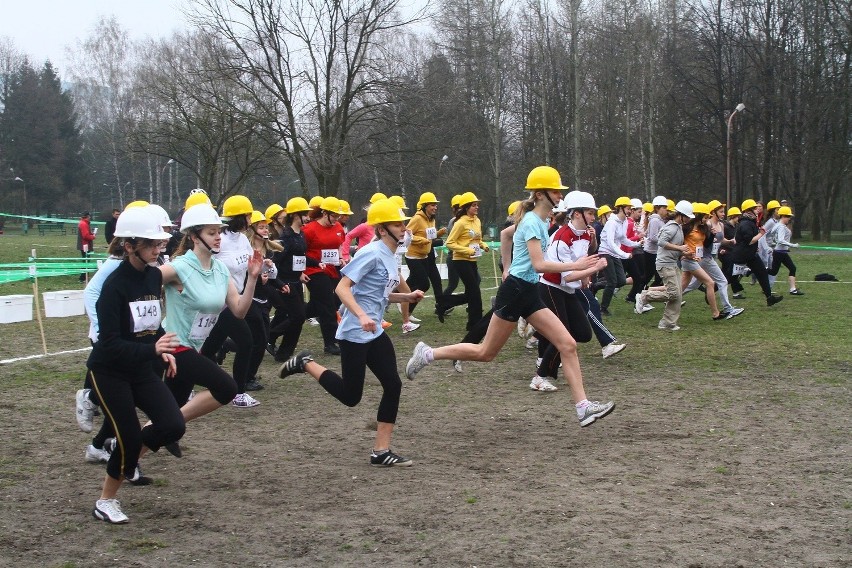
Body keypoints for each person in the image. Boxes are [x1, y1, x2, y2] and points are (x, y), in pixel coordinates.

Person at [405, 166, 615, 427]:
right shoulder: (531, 222)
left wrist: (507, 267)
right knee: (486, 353)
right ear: (540, 194)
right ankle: (428, 353)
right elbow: (539, 265)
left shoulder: (537, 220)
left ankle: (583, 407)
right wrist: (577, 266)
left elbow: (507, 239)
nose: (560, 196)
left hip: (526, 290)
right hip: (517, 291)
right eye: (555, 191)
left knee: (568, 344)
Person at [279, 198, 425, 466]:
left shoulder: (391, 255)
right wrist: (361, 315)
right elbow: (342, 288)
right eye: (396, 223)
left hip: (374, 332)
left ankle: (381, 452)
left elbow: (379, 295)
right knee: (350, 396)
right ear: (381, 229)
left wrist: (407, 296)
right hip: (355, 333)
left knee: (393, 385)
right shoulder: (370, 252)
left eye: (403, 223)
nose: (403, 227)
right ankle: (305, 363)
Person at [86, 206, 185, 524]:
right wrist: (152, 349)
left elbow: (149, 323)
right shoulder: (112, 288)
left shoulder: (154, 275)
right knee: (127, 437)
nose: (161, 249)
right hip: (109, 371)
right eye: (153, 244)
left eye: (161, 243)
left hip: (141, 367)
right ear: (129, 245)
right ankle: (105, 501)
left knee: (173, 425)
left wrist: (161, 349)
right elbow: (110, 343)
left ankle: (127, 461)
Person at [159, 202, 261, 441]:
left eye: (219, 232)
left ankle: (138, 439)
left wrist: (253, 278)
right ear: (194, 236)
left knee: (170, 410)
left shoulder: (220, 270)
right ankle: (156, 431)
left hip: (195, 346)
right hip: (175, 348)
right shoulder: (179, 267)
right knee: (227, 387)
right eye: (211, 233)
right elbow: (143, 284)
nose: (218, 238)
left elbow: (238, 311)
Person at [531, 191, 609, 391]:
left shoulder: (585, 233)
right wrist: (595, 269)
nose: (593, 217)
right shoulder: (560, 239)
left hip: (568, 290)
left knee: (583, 334)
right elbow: (568, 275)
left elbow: (580, 260)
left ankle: (542, 332)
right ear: (576, 214)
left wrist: (586, 276)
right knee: (563, 336)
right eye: (590, 213)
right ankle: (540, 377)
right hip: (551, 288)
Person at [199, 194, 261, 407]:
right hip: (221, 302)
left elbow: (247, 263)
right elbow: (206, 266)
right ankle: (238, 393)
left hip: (239, 298)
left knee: (208, 349)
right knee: (246, 342)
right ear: (240, 216)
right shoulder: (220, 240)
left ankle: (197, 381)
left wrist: (263, 266)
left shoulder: (242, 239)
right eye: (248, 215)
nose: (251, 219)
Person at [635, 200, 694, 330]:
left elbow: (674, 248)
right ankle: (644, 296)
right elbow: (661, 242)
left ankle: (667, 323)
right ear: (681, 215)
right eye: (688, 216)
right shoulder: (671, 227)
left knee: (677, 294)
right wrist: (680, 249)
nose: (689, 219)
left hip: (672, 263)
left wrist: (686, 254)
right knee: (673, 294)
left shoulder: (678, 227)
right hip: (665, 264)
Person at [243, 210, 284, 390]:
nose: (266, 230)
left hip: (262, 298)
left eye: (266, 226)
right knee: (258, 339)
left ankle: (247, 373)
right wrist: (260, 278)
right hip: (249, 298)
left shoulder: (267, 250)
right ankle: (247, 377)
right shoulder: (246, 249)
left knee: (260, 337)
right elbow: (244, 275)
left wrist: (271, 270)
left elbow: (272, 274)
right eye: (261, 227)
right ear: (253, 229)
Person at [682, 200, 744, 319]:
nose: (723, 214)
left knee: (692, 285)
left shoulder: (720, 225)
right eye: (720, 212)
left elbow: (721, 240)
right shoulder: (707, 224)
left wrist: (729, 242)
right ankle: (728, 309)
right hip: (704, 258)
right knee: (722, 281)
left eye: (723, 211)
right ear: (713, 212)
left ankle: (671, 297)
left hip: (708, 257)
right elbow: (702, 242)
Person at [269, 197, 313, 362]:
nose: (308, 218)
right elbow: (277, 261)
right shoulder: (286, 237)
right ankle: (270, 336)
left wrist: (301, 272)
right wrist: (278, 282)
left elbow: (299, 258)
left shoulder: (300, 234)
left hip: (296, 281)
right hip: (286, 283)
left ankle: (284, 353)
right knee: (298, 316)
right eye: (305, 214)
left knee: (298, 319)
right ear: (296, 216)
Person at [436, 191, 488, 329]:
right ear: (466, 208)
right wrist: (467, 250)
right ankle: (474, 323)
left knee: (472, 292)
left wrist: (484, 245)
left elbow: (478, 239)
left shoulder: (477, 220)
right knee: (475, 292)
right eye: (474, 205)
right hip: (460, 261)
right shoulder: (460, 223)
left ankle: (444, 302)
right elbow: (449, 243)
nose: (477, 207)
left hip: (473, 260)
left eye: (477, 205)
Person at [303, 196, 347, 354]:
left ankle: (290, 320)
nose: (336, 220)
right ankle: (330, 343)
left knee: (332, 301)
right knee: (327, 305)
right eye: (333, 216)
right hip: (314, 271)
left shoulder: (338, 228)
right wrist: (301, 271)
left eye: (338, 216)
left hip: (332, 269)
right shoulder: (309, 229)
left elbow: (339, 246)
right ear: (324, 213)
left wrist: (341, 258)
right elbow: (301, 252)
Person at [730, 199, 784, 307]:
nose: (757, 209)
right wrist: (761, 233)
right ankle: (712, 290)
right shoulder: (746, 223)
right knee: (728, 277)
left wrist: (755, 247)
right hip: (742, 255)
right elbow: (750, 240)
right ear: (748, 210)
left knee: (762, 273)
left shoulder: (750, 221)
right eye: (755, 208)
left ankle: (769, 298)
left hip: (750, 255)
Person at [404, 191, 447, 322]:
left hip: (424, 256)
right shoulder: (417, 218)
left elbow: (429, 237)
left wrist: (438, 234)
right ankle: (406, 308)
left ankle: (403, 303)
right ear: (424, 206)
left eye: (435, 205)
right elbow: (407, 234)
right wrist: (421, 240)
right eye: (432, 205)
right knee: (424, 284)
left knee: (412, 283)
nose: (435, 207)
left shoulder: (431, 220)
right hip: (413, 256)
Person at [597, 197, 642, 315]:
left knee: (621, 281)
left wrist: (637, 244)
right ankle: (603, 308)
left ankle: (596, 285)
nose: (629, 211)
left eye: (630, 209)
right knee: (612, 282)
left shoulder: (625, 222)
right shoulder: (612, 222)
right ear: (620, 208)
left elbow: (623, 239)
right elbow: (611, 243)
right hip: (605, 252)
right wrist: (625, 254)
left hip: (614, 253)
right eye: (628, 208)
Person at [768, 206, 804, 295]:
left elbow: (773, 235)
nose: (789, 218)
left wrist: (774, 243)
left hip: (781, 252)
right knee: (773, 271)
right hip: (779, 253)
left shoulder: (778, 225)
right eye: (788, 216)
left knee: (792, 268)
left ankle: (793, 289)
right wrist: (793, 245)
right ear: (783, 216)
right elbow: (780, 240)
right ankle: (754, 269)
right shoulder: (781, 227)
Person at [642, 196, 668, 288]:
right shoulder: (655, 220)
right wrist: (665, 242)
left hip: (656, 252)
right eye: (664, 208)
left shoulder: (660, 220)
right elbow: (653, 237)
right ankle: (635, 294)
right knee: (648, 276)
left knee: (658, 276)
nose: (666, 210)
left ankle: (649, 293)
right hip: (651, 252)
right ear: (657, 208)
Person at [719, 206, 744, 299]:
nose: (739, 218)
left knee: (726, 273)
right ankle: (734, 291)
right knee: (731, 272)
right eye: (738, 216)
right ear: (733, 216)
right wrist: (721, 249)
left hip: (733, 252)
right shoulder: (725, 226)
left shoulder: (737, 226)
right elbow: (720, 239)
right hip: (724, 252)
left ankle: (718, 287)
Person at [77, 211, 97, 282]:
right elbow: (85, 236)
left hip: (84, 245)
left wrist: (91, 233)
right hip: (85, 245)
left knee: (85, 260)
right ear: (87, 216)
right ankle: (83, 278)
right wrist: (93, 236)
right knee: (86, 261)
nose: (90, 218)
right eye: (89, 216)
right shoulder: (84, 224)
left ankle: (84, 277)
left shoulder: (83, 223)